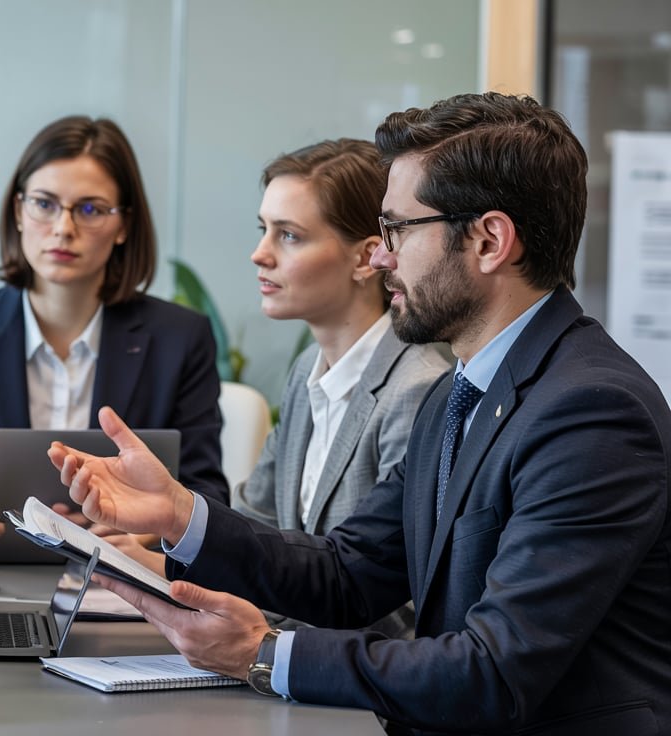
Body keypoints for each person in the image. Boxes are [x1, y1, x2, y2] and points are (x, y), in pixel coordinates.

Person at [50, 92, 671, 735]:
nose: (380, 256)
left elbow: (493, 674)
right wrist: (180, 514)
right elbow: (347, 574)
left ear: (489, 241)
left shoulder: (591, 413)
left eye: (398, 229)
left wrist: (263, 656)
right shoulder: (461, 391)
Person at [108, 139, 448, 639]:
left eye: (288, 235)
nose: (259, 254)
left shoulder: (417, 390)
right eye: (263, 230)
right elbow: (254, 524)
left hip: (352, 698)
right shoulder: (309, 369)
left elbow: (395, 606)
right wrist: (156, 557)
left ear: (367, 258)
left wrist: (258, 641)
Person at [0, 115, 228, 558]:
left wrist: (147, 531)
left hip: (123, 583)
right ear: (18, 211)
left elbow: (207, 492)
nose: (64, 228)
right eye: (44, 204)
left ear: (124, 225)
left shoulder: (179, 338)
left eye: (90, 209)